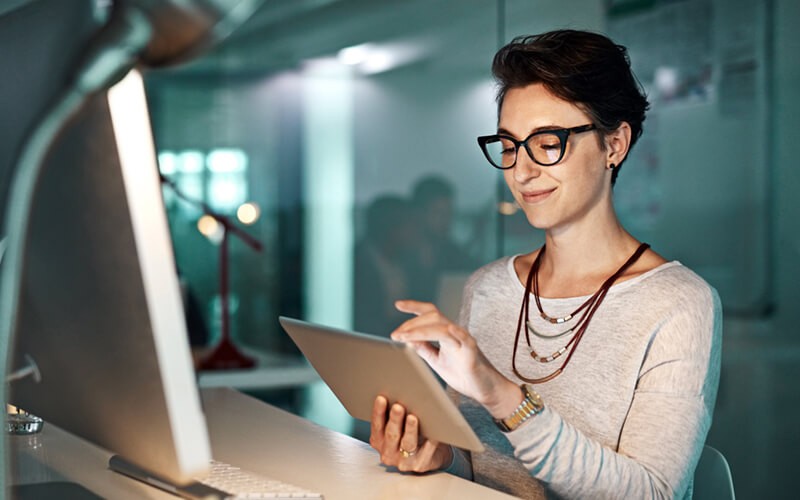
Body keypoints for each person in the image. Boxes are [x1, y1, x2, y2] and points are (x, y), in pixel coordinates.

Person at [367, 30, 722, 499]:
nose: (522, 170)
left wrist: (502, 395)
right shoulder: (488, 287)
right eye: (510, 145)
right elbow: (488, 470)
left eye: (548, 142)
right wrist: (441, 458)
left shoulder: (678, 304)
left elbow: (650, 492)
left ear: (614, 144)